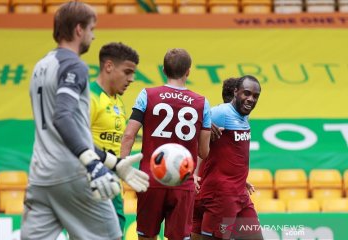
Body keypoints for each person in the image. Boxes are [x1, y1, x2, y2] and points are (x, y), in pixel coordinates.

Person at [21, 3, 148, 240]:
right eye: (92, 28)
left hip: (40, 176)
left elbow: (69, 131)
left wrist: (112, 161)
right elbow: (63, 117)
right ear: (79, 29)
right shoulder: (73, 65)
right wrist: (92, 164)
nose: (93, 35)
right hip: (73, 174)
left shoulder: (41, 66)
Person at [120, 48, 211, 240]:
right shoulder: (202, 103)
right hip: (182, 180)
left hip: (150, 178)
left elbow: (129, 136)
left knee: (146, 236)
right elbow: (203, 151)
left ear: (163, 69)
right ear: (188, 71)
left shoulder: (147, 94)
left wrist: (122, 168)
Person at [193, 75, 263, 240]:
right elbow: (189, 126)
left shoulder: (244, 115)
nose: (251, 99)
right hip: (221, 195)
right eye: (247, 93)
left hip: (239, 193)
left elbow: (229, 152)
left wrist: (239, 176)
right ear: (236, 92)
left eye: (255, 96)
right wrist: (204, 124)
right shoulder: (221, 113)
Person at [90, 42, 140, 233]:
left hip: (114, 183)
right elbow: (76, 142)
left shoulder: (117, 101)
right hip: (92, 182)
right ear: (109, 66)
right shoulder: (89, 97)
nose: (132, 79)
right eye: (127, 72)